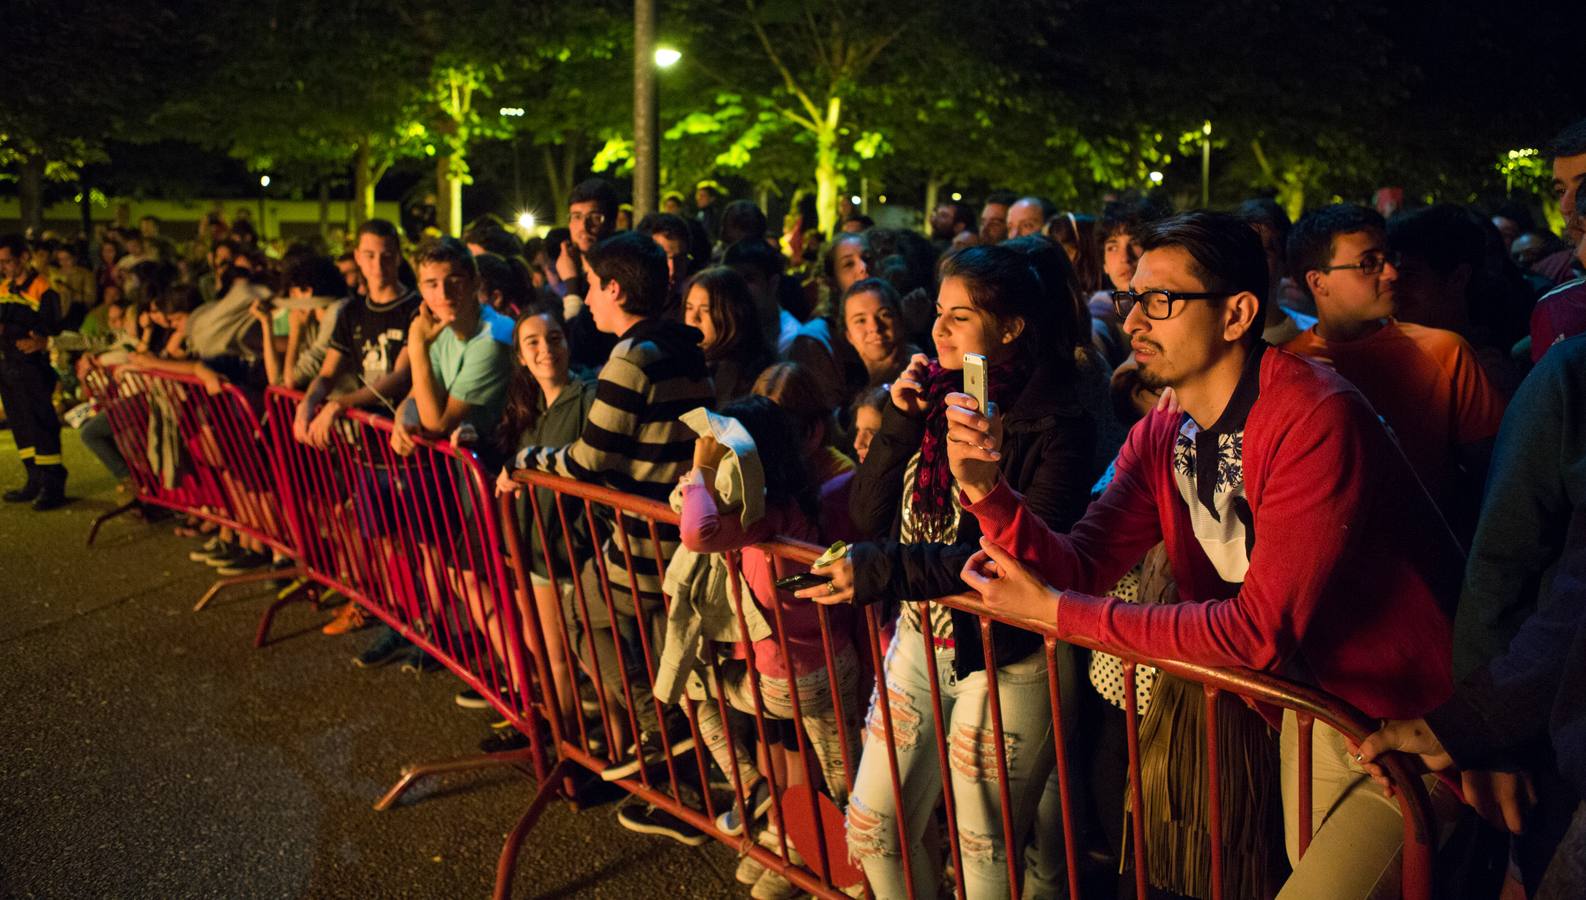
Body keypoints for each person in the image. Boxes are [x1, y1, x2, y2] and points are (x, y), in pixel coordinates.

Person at [950, 211, 1464, 900]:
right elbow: (1081, 563)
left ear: (1237, 314)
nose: (1133, 323)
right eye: (1131, 299)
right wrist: (988, 494)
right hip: (1313, 716)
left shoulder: (1314, 416)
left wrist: (1060, 613)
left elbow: (1256, 630)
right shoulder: (1166, 429)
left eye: (1160, 302)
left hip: (1414, 724)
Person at [803, 243, 1095, 900]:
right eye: (938, 313)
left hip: (1006, 655)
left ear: (1011, 327)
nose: (938, 330)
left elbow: (1011, 565)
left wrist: (883, 571)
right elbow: (866, 513)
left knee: (986, 859)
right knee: (874, 827)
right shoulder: (932, 397)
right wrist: (901, 423)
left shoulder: (1053, 421)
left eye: (959, 317)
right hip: (919, 643)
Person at [1358, 332, 1586, 897]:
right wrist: (1482, 731)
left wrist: (1484, 729)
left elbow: (1509, 566)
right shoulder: (1571, 374)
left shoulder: (1562, 370)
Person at [507, 231, 714, 838]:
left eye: (593, 286)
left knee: (579, 619)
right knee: (655, 653)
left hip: (640, 540)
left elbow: (590, 459)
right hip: (677, 533)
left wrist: (530, 460)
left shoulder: (633, 355)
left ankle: (660, 732)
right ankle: (678, 779)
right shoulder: (684, 348)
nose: (588, 300)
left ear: (615, 288)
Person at [674, 395, 862, 899]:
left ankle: (762, 804)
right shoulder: (808, 497)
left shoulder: (761, 518)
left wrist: (700, 467)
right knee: (844, 777)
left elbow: (695, 531)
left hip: (787, 680)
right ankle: (853, 871)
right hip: (837, 661)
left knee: (695, 692)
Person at [1284, 204, 1505, 541]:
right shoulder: (1286, 365)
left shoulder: (1445, 351)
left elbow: (1493, 472)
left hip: (1430, 560)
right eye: (1368, 263)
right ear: (1318, 281)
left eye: (1389, 259)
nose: (1391, 273)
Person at [486, 306, 597, 752]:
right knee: (553, 657)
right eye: (532, 341)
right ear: (520, 355)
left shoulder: (587, 397)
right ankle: (565, 743)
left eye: (554, 338)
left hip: (576, 549)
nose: (545, 348)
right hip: (538, 550)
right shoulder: (525, 409)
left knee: (589, 661)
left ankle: (601, 750)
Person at [0, 234, 67, 509]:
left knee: (41, 424)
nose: (4, 267)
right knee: (21, 424)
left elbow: (50, 327)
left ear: (24, 258)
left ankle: (53, 484)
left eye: (7, 261)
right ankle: (33, 479)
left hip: (31, 367)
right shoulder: (4, 288)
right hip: (7, 366)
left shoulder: (43, 288)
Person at [682, 266, 774, 406]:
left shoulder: (733, 373)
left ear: (731, 315)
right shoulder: (689, 361)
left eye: (705, 310)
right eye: (689, 308)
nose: (694, 318)